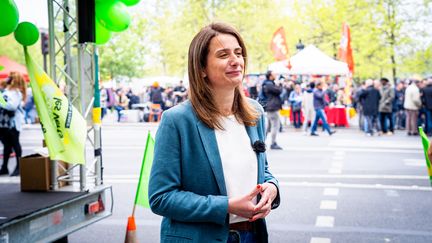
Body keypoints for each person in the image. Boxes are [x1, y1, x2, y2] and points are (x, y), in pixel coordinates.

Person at [148, 22, 280, 243]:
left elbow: (263, 170)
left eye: (238, 53)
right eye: (223, 54)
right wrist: (225, 206)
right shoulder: (177, 120)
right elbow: (161, 197)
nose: (235, 60)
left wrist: (271, 188)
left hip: (252, 235)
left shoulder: (255, 113)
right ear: (201, 68)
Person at [0, 72, 26, 176]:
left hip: (13, 123)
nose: (7, 79)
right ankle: (4, 167)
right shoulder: (7, 91)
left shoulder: (16, 93)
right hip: (4, 123)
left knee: (15, 144)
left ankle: (19, 167)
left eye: (10, 77)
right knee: (7, 145)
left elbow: (12, 106)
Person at [262, 70, 283, 150]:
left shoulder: (267, 83)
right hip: (272, 107)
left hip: (270, 107)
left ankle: (262, 141)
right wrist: (280, 84)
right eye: (274, 73)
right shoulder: (269, 84)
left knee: (269, 126)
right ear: (270, 76)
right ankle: (273, 143)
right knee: (275, 126)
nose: (275, 74)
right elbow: (278, 91)